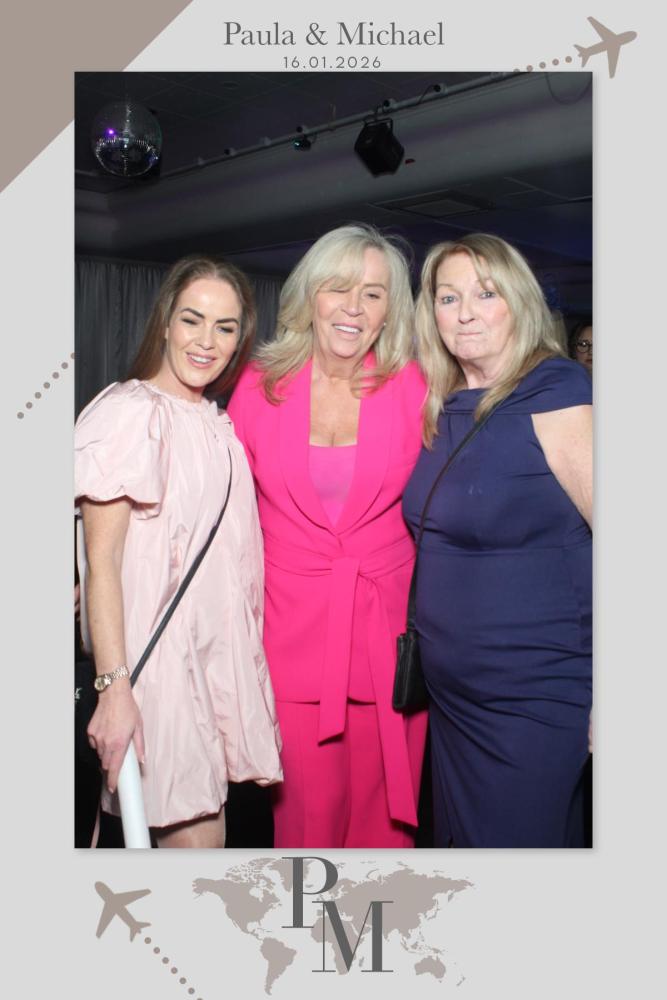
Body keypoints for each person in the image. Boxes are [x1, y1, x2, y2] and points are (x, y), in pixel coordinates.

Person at [227, 224, 428, 848]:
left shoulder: (415, 386)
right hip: (290, 637)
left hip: (388, 639)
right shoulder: (259, 387)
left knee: (385, 829)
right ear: (309, 295)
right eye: (338, 288)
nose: (353, 308)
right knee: (307, 828)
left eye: (373, 294)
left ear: (390, 310)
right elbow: (218, 509)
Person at [75, 256, 282, 848]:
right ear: (165, 321)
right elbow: (103, 564)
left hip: (213, 664)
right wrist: (115, 691)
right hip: (154, 675)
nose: (206, 341)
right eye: (193, 320)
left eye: (225, 327)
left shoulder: (218, 425)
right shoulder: (127, 414)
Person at [403, 233, 592, 848]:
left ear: (519, 302)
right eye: (448, 297)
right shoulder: (442, 404)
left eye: (486, 294)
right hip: (453, 699)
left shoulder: (556, 390)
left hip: (534, 695)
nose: (465, 313)